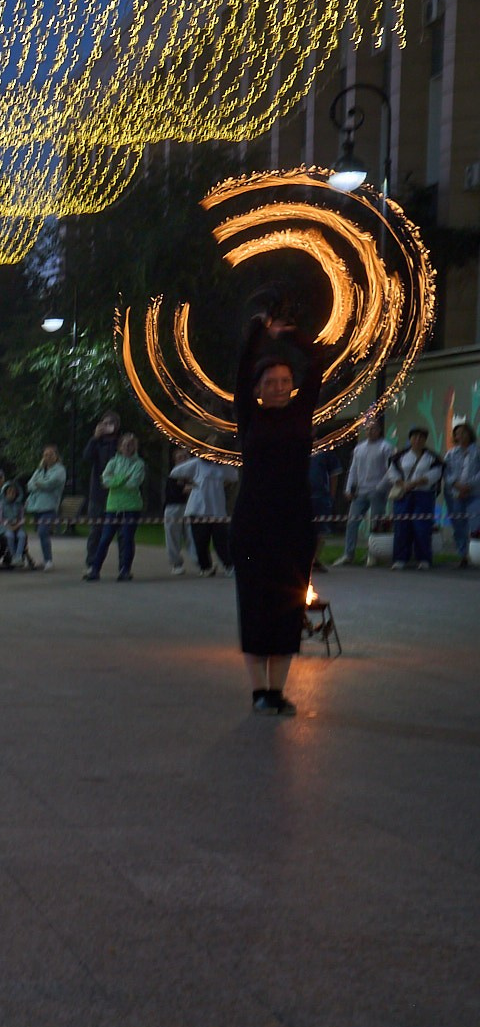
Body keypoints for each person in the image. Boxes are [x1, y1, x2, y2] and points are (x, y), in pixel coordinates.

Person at [231, 287, 326, 716]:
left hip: (293, 523)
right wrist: (259, 332)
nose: (280, 387)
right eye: (271, 382)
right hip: (253, 524)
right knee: (255, 606)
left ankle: (278, 691)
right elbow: (241, 370)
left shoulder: (300, 413)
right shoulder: (249, 418)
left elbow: (318, 368)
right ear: (258, 389)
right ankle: (258, 693)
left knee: (288, 608)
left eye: (286, 381)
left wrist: (291, 336)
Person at [332, 416, 393, 566]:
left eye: (373, 429)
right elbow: (353, 469)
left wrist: (381, 487)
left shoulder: (385, 447)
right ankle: (348, 554)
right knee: (352, 522)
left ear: (379, 431)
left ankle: (373, 554)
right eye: (367, 429)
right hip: (360, 491)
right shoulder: (359, 448)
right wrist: (348, 488)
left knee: (376, 524)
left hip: (377, 491)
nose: (370, 431)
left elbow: (390, 469)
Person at [85, 433, 146, 581]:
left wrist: (116, 481)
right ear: (120, 447)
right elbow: (105, 480)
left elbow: (134, 483)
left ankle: (125, 570)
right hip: (113, 506)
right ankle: (95, 569)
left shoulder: (139, 464)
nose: (127, 447)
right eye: (125, 444)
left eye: (131, 445)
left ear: (135, 447)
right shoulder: (113, 462)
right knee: (105, 538)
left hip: (131, 506)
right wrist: (122, 479)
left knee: (126, 538)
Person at [170, 452, 238, 576]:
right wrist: (190, 482)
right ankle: (205, 567)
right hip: (198, 509)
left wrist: (224, 484)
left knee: (221, 539)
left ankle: (229, 565)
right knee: (200, 541)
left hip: (216, 509)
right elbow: (175, 472)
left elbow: (234, 476)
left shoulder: (222, 466)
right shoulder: (197, 464)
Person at [388, 426, 442, 569]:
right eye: (415, 437)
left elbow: (435, 474)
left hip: (424, 495)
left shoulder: (432, 457)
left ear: (425, 440)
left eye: (421, 437)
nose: (418, 440)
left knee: (422, 527)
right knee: (401, 526)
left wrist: (416, 483)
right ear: (410, 439)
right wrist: (403, 484)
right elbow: (392, 473)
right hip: (403, 495)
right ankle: (400, 559)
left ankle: (423, 559)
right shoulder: (399, 456)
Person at [80, 412, 121, 556]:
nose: (108, 426)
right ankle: (92, 562)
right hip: (97, 493)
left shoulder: (120, 443)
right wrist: (95, 438)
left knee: (120, 532)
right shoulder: (97, 443)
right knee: (95, 531)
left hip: (117, 493)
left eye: (111, 423)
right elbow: (86, 457)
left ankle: (123, 567)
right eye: (105, 423)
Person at [24, 446, 66, 571]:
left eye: (50, 455)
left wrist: (39, 483)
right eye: (45, 455)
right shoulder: (40, 470)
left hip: (49, 506)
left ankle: (49, 560)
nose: (47, 457)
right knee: (41, 534)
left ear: (56, 456)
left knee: (43, 531)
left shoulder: (60, 470)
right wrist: (39, 483)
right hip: (36, 507)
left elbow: (51, 484)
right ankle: (45, 559)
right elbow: (29, 485)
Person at [445, 422, 478, 568]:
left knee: (475, 523)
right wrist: (457, 485)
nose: (461, 435)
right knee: (459, 525)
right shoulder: (451, 454)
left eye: (464, 432)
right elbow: (446, 472)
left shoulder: (477, 452)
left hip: (475, 493)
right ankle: (463, 555)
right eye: (458, 433)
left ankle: (475, 553)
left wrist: (469, 485)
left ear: (470, 434)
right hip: (455, 494)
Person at [162, 448, 194, 575]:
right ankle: (176, 564)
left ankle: (201, 563)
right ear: (175, 461)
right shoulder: (174, 474)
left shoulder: (193, 474)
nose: (184, 459)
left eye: (185, 456)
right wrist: (191, 488)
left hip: (189, 507)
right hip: (173, 507)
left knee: (192, 535)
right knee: (173, 536)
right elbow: (181, 491)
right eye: (180, 457)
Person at [0, 480, 30, 567]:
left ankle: (18, 556)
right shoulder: (1, 504)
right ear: (5, 493)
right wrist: (7, 525)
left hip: (17, 526)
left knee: (22, 535)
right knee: (10, 536)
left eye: (13, 492)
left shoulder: (19, 505)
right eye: (9, 492)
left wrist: (18, 525)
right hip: (5, 527)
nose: (11, 494)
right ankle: (13, 556)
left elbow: (22, 517)